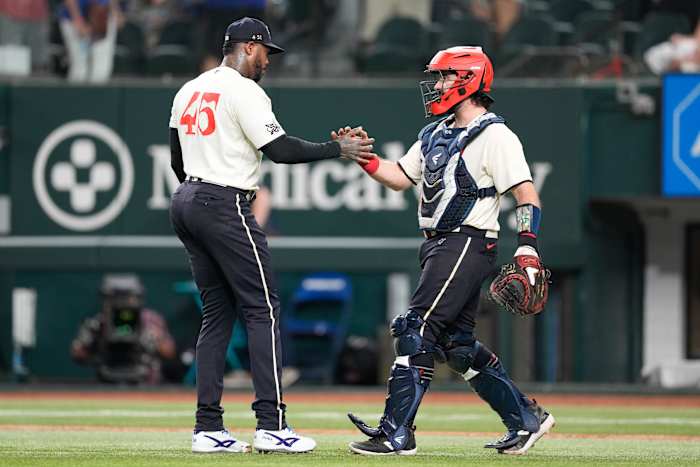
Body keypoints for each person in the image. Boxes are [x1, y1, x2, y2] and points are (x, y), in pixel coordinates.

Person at [168, 16, 374, 454]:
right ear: (247, 48)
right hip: (223, 203)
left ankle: (207, 429)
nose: (268, 60)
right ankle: (271, 423)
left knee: (217, 314)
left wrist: (201, 190)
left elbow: (176, 158)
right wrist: (337, 149)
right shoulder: (245, 90)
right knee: (263, 308)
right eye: (265, 51)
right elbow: (279, 151)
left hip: (187, 199)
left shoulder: (190, 88)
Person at [344, 46, 555, 456]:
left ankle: (396, 432)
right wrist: (364, 159)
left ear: (468, 80)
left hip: (467, 240)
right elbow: (400, 177)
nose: (436, 86)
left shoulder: (495, 134)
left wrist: (528, 249)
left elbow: (527, 195)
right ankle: (525, 419)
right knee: (457, 348)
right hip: (440, 244)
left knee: (414, 328)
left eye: (443, 77)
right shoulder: (435, 133)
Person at [71, 274, 177, 384]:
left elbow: (169, 352)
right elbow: (78, 354)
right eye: (116, 297)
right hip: (108, 381)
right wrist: (93, 344)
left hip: (146, 381)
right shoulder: (98, 323)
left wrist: (154, 338)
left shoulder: (151, 321)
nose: (123, 303)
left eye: (128, 297)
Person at [58, 0, 123, 82]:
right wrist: (78, 19)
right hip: (76, 18)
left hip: (102, 16)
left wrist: (116, 10)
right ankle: (76, 94)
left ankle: (99, 94)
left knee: (102, 66)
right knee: (80, 66)